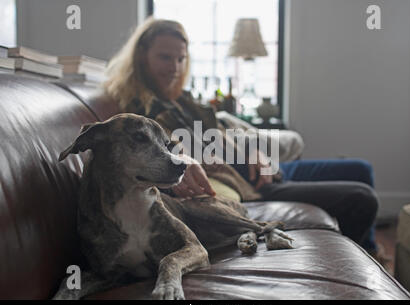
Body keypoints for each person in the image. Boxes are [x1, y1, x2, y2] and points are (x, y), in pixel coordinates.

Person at [104, 17, 387, 262]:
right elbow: (157, 149)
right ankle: (362, 260)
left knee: (360, 168)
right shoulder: (139, 109)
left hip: (261, 169)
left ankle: (371, 250)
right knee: (361, 199)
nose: (175, 67)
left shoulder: (180, 100)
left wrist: (254, 151)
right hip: (251, 187)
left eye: (181, 59)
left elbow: (220, 135)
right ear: (142, 55)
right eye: (165, 57)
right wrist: (185, 156)